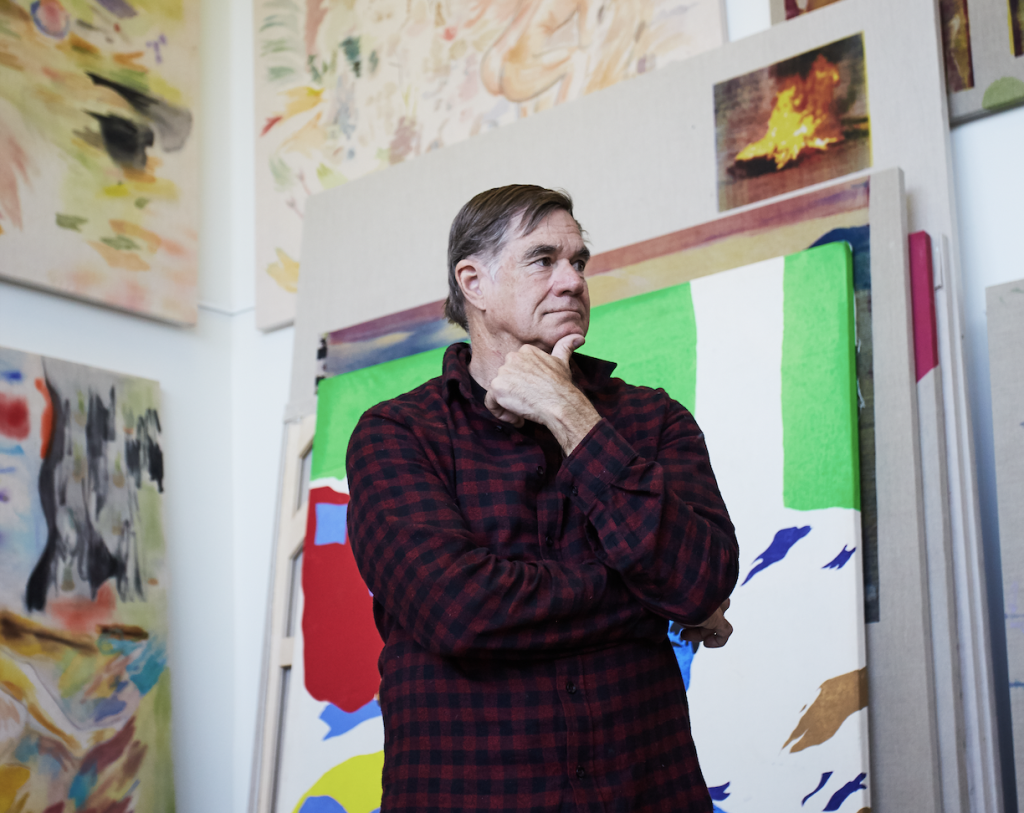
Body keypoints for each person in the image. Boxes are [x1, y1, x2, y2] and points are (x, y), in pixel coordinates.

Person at [346, 185, 739, 812]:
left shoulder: (654, 419)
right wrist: (650, 600)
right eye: (543, 259)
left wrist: (569, 412)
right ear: (473, 282)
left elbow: (702, 579)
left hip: (647, 794)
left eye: (579, 261)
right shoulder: (396, 435)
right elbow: (461, 612)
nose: (573, 280)